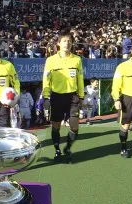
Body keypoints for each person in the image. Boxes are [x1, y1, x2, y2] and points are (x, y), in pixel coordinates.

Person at [42, 30, 84, 163]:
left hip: (72, 97)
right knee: (56, 126)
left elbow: (80, 79)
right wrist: (46, 97)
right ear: (59, 43)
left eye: (69, 41)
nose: (67, 43)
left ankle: (68, 148)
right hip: (56, 97)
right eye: (64, 41)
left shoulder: (77, 60)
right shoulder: (50, 60)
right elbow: (46, 79)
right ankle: (57, 150)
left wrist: (81, 96)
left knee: (74, 126)